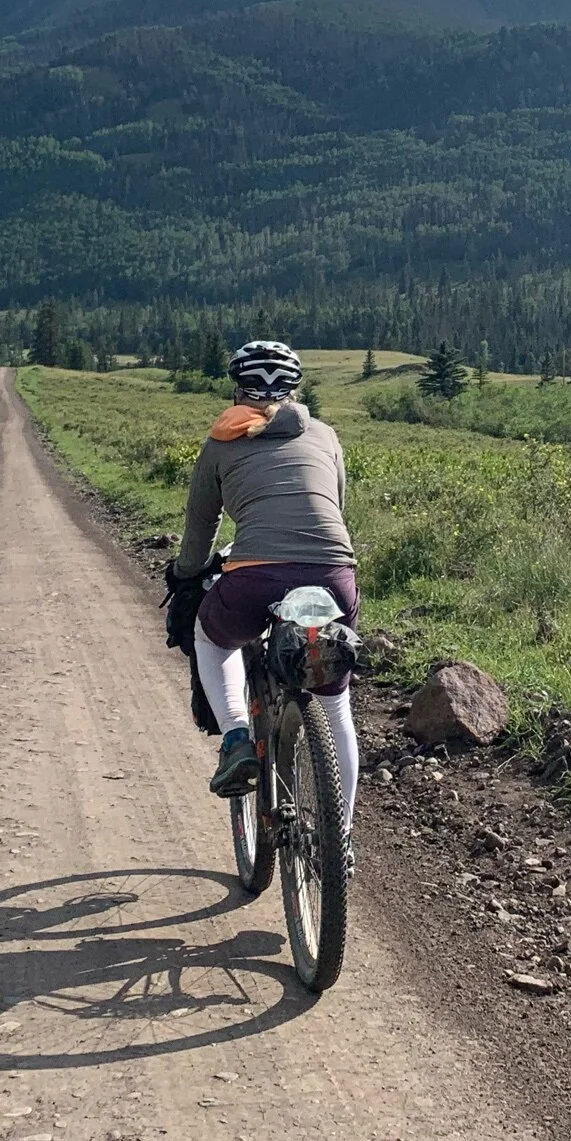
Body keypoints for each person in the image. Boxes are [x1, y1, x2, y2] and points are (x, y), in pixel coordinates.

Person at [167, 340, 362, 840]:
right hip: (334, 573)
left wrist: (187, 573)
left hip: (256, 576)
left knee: (212, 636)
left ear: (237, 388)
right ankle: (340, 838)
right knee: (336, 704)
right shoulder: (325, 434)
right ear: (294, 389)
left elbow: (200, 527)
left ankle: (236, 737)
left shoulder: (221, 442)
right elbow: (336, 505)